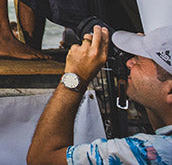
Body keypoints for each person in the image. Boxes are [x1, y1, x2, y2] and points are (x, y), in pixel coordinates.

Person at [26, 25, 172, 164]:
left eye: (139, 61)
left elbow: (41, 159)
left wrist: (76, 76)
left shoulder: (148, 152)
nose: (129, 63)